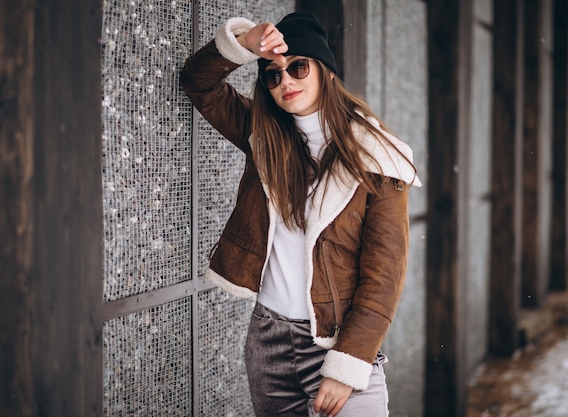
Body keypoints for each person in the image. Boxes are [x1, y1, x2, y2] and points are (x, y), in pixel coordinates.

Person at [180, 12, 421, 417]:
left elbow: (384, 277)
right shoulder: (264, 138)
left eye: (297, 67)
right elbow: (198, 83)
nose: (286, 81)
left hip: (335, 343)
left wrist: (348, 365)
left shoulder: (379, 159)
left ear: (324, 70)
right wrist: (245, 44)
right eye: (272, 75)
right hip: (268, 345)